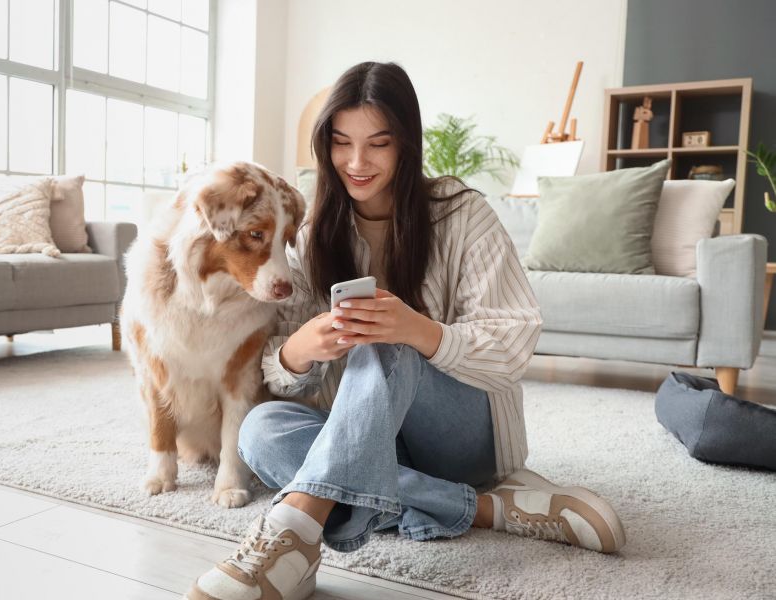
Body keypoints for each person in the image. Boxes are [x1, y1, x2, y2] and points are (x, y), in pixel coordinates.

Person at [184, 62, 626, 600]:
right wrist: (300, 352)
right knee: (260, 431)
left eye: (378, 143)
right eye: (341, 143)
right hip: (367, 441)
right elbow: (280, 371)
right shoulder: (310, 231)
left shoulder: (464, 214)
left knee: (387, 337)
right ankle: (488, 509)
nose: (356, 162)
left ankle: (295, 532)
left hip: (461, 440)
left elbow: (515, 342)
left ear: (406, 144)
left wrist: (421, 332)